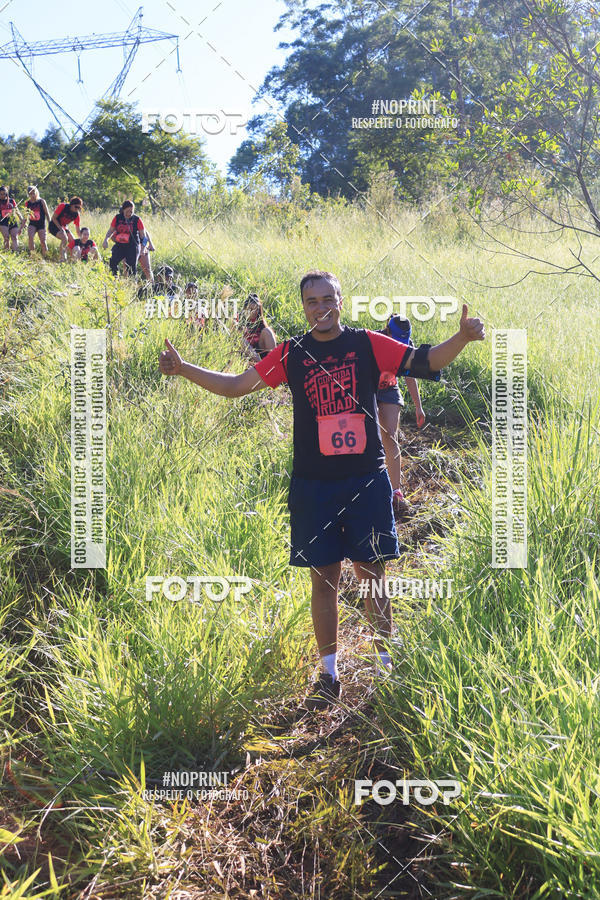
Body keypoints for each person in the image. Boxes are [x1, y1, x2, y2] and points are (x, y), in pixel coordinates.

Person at [159, 269, 485, 711]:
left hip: (367, 481)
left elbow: (424, 361)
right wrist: (183, 370)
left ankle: (384, 665)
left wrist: (462, 338)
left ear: (340, 300)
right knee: (323, 581)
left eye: (327, 298)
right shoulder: (291, 353)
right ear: (303, 307)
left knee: (373, 578)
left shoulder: (368, 343)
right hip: (314, 487)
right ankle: (329, 673)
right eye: (311, 301)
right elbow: (236, 386)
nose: (320, 307)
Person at [376, 315, 426, 518]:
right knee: (370, 438)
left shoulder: (407, 345)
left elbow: (409, 375)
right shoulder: (374, 341)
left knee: (389, 437)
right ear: (387, 331)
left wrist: (418, 406)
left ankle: (395, 492)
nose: (400, 345)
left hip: (389, 389)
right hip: (368, 390)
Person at [103, 200, 146, 276]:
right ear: (123, 210)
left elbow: (143, 236)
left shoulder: (137, 219)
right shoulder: (117, 218)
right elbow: (110, 231)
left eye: (131, 211)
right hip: (120, 245)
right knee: (112, 262)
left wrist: (143, 247)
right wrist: (106, 239)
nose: (129, 213)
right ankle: (114, 279)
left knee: (131, 267)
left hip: (132, 245)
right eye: (127, 211)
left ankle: (132, 284)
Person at [241, 293, 277, 361]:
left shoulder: (260, 321)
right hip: (247, 352)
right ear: (245, 309)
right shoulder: (239, 320)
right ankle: (260, 364)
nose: (254, 312)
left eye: (256, 309)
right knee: (242, 341)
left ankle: (274, 361)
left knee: (267, 331)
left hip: (260, 349)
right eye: (251, 309)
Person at [49, 197, 83, 261]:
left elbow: (78, 230)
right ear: (71, 205)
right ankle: (62, 259)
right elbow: (53, 218)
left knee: (73, 242)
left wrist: (82, 240)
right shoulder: (63, 206)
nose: (77, 209)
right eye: (76, 207)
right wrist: (61, 229)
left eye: (79, 208)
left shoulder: (76, 215)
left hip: (63, 227)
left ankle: (72, 259)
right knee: (64, 238)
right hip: (53, 226)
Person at [24, 186, 51, 257]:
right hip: (32, 223)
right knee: (30, 237)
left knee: (43, 241)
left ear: (36, 193)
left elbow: (47, 213)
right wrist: (21, 227)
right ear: (28, 194)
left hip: (41, 224)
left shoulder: (41, 201)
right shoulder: (27, 203)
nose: (32, 195)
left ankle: (45, 256)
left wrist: (50, 224)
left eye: (34, 193)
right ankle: (33, 255)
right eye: (31, 194)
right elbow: (25, 216)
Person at [0, 186, 25, 251]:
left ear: (7, 194)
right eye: (1, 194)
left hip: (12, 221)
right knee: (6, 238)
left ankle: (16, 253)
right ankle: (7, 253)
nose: (2, 196)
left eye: (4, 194)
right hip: (3, 222)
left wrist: (22, 220)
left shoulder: (11, 201)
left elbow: (17, 211)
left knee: (14, 237)